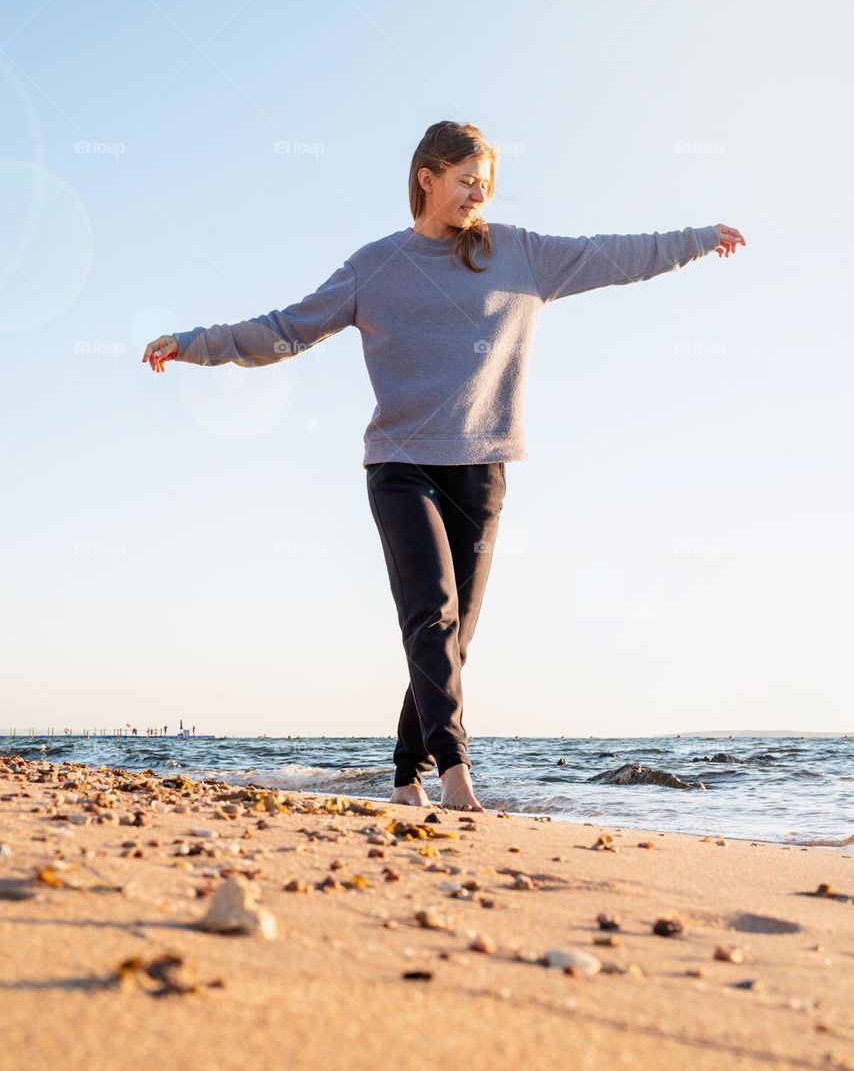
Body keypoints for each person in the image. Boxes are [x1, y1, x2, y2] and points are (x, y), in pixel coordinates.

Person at [142, 120, 745, 812]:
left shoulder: (520, 255)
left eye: (485, 185)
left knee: (454, 638)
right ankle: (456, 774)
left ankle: (406, 777)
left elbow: (613, 254)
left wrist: (700, 240)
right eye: (465, 182)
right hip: (401, 466)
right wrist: (194, 343)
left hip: (481, 470)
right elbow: (286, 329)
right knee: (430, 614)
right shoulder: (376, 265)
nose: (476, 195)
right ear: (426, 178)